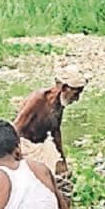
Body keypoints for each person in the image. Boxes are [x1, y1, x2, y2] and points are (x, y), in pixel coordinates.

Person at [12, 64, 88, 201]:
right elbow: (17, 127)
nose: (76, 99)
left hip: (42, 144)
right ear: (64, 88)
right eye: (76, 94)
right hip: (24, 145)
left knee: (62, 175)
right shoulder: (39, 98)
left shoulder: (59, 103)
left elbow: (56, 132)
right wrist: (14, 154)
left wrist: (62, 158)